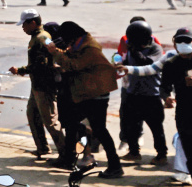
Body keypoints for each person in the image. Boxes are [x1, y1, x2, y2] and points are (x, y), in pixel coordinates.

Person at [47, 22, 123, 179]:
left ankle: (115, 166)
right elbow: (72, 58)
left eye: (67, 40)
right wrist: (61, 52)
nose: (66, 44)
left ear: (73, 37)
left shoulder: (90, 48)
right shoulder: (81, 44)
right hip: (87, 92)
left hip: (97, 93)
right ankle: (69, 159)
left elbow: (74, 65)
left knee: (99, 129)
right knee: (71, 123)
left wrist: (55, 53)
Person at [118, 27, 192, 184]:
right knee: (185, 140)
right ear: (174, 43)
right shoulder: (171, 61)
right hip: (184, 109)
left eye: (187, 41)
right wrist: (167, 97)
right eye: (179, 41)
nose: (183, 44)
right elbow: (156, 75)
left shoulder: (156, 49)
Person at [8, 9, 64, 159]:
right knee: (33, 115)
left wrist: (21, 70)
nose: (23, 28)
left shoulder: (42, 38)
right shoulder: (38, 37)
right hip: (37, 85)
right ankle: (42, 148)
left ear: (33, 23)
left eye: (24, 25)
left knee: (50, 121)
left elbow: (41, 64)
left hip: (44, 85)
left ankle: (67, 153)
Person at [116, 20, 167, 165]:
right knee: (131, 125)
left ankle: (161, 154)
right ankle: (134, 152)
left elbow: (147, 64)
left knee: (156, 127)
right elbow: (126, 64)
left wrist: (134, 51)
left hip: (151, 95)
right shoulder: (131, 48)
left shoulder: (155, 49)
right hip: (133, 92)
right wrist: (119, 63)